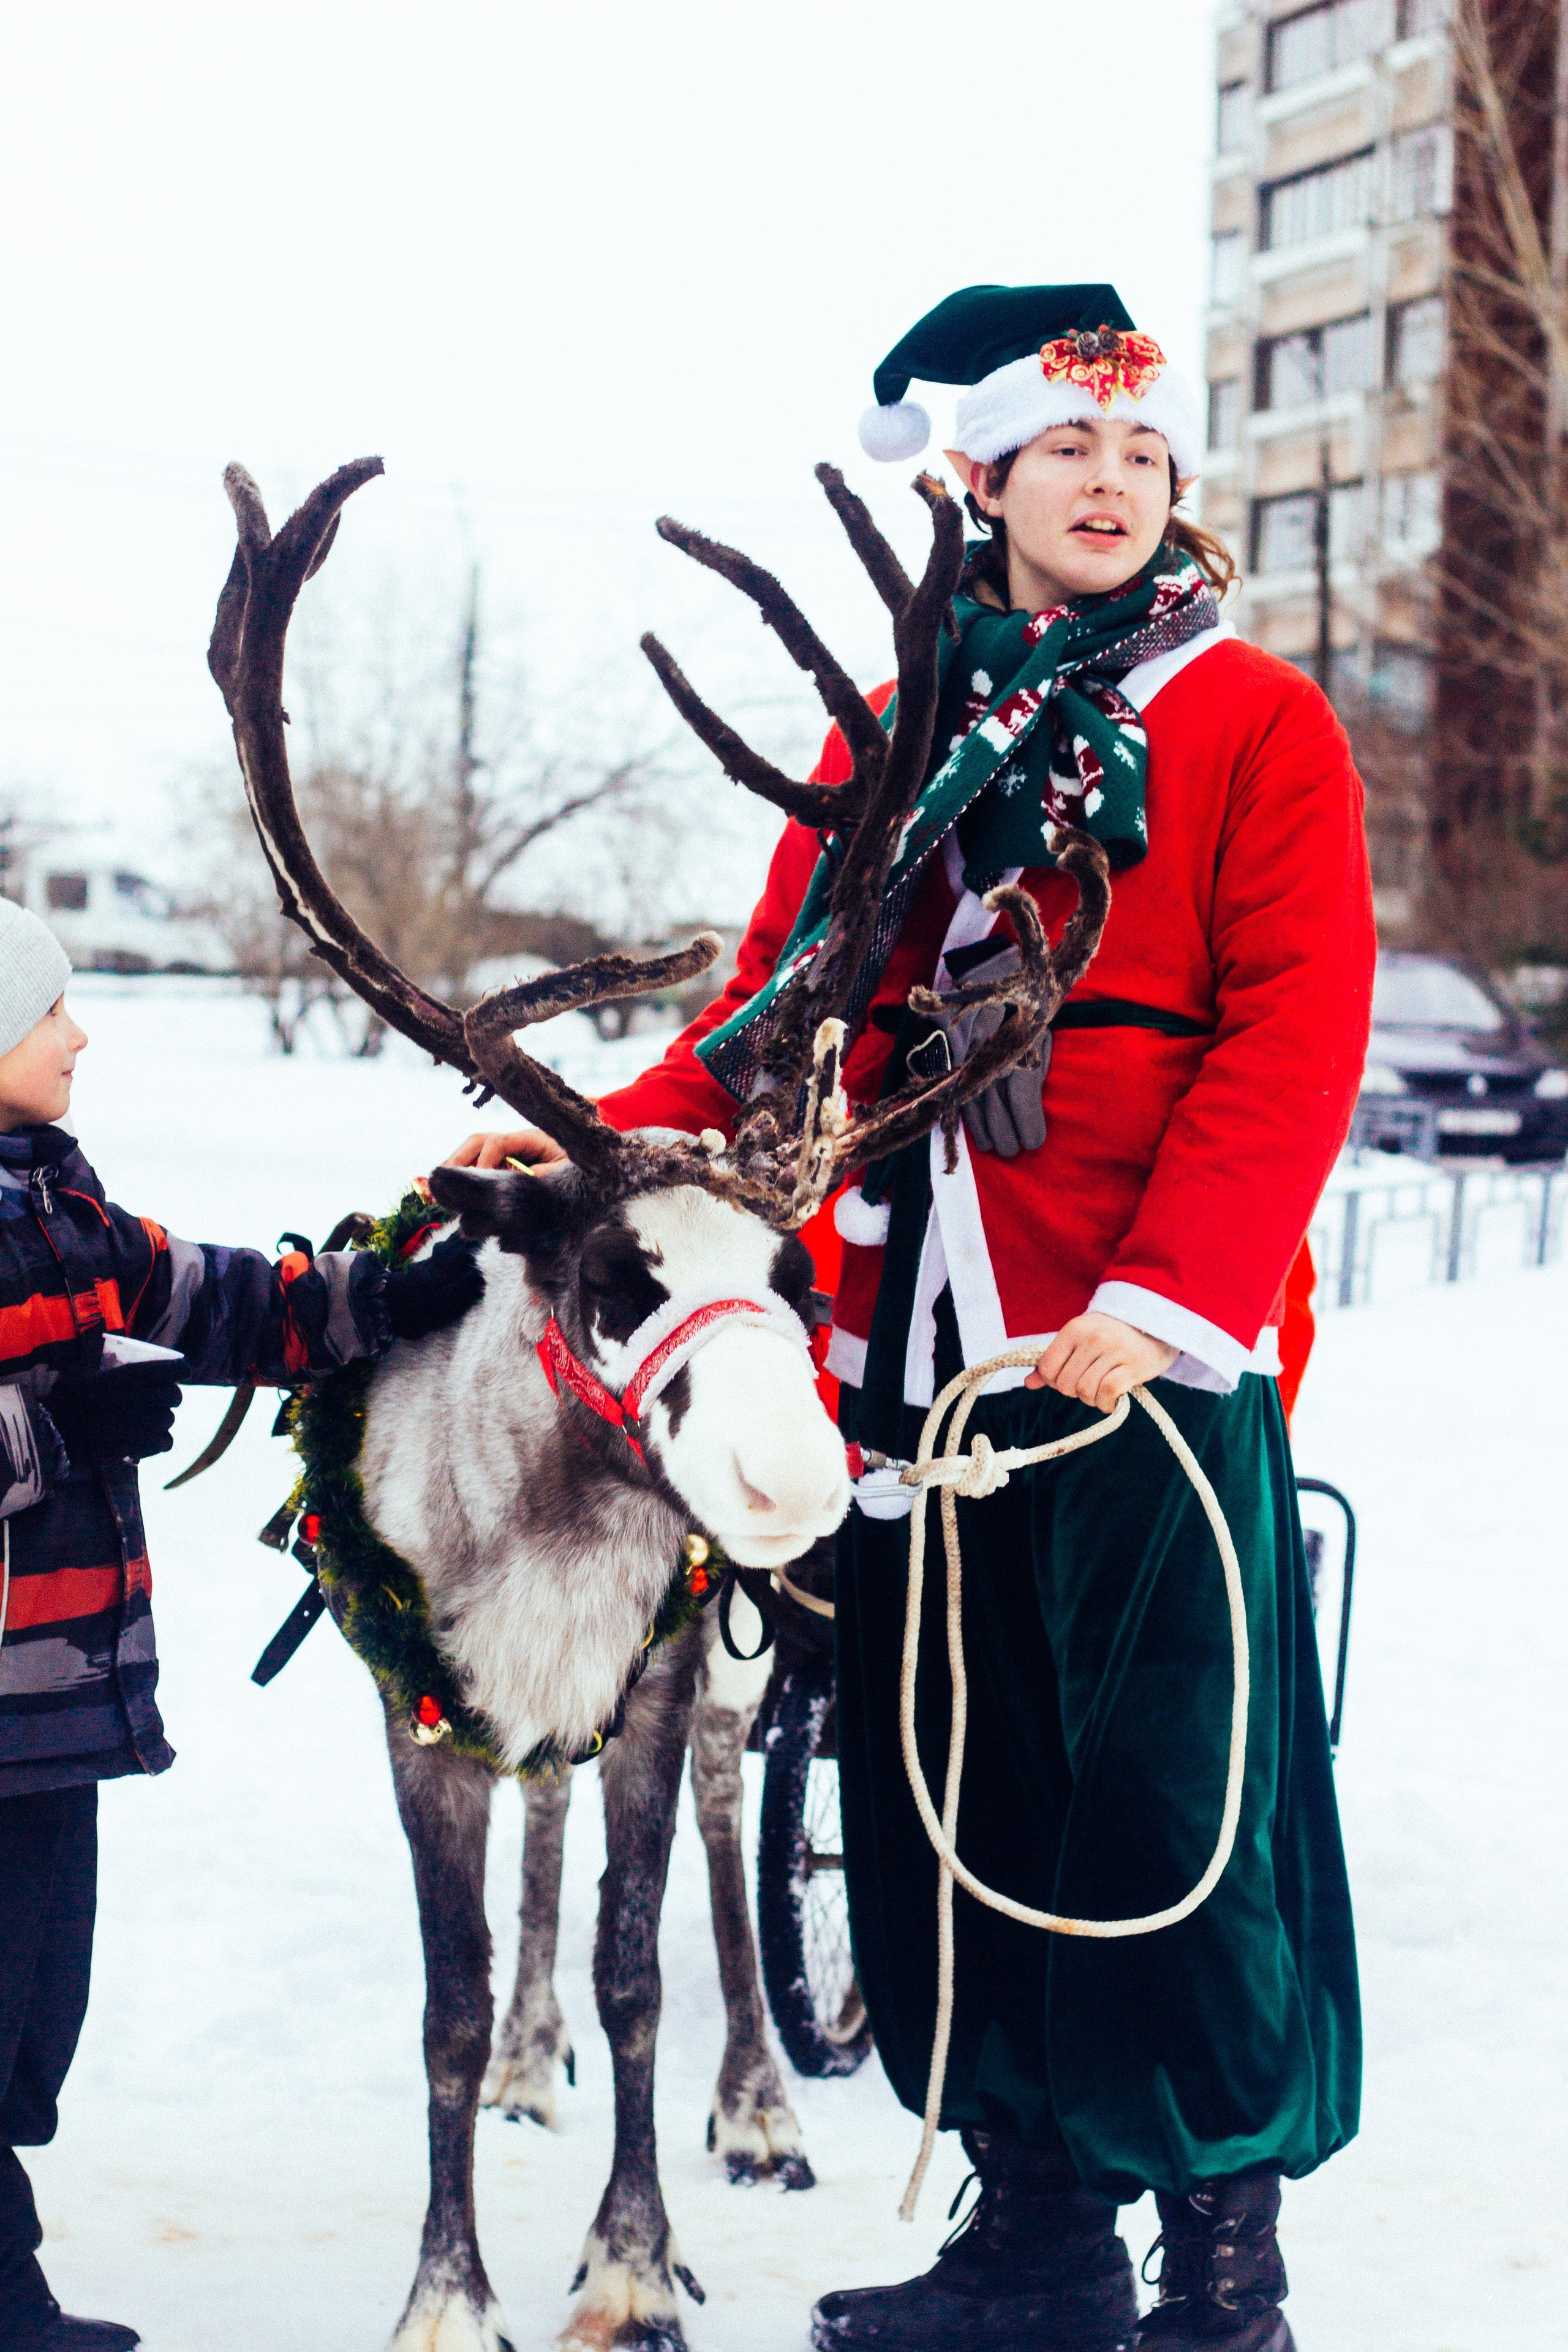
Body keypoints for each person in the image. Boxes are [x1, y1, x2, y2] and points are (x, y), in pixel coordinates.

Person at [451, 282, 1374, 2352]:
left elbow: (1300, 1036)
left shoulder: (1253, 720)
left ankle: (1225, 2278)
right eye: (1074, 450)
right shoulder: (895, 740)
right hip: (908, 1354)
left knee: (1170, 1806)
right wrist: (598, 1145)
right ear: (981, 481)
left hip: (1128, 1358)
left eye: (1145, 455)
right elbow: (777, 1012)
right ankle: (1035, 2236)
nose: (1117, 482)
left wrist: (1167, 1298)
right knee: (948, 1791)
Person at [0, 903, 478, 2352]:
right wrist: (45, 1423)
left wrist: (378, 1301)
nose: (79, 1034)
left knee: (30, 2002)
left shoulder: (51, 1195)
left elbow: (199, 1292)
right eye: (47, 1014)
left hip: (48, 1692)